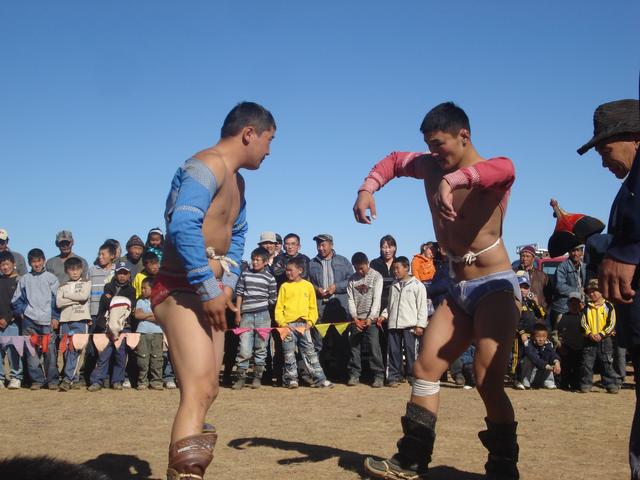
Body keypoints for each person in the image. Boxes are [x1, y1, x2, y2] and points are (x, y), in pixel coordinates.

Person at [354, 102, 521, 479]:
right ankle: (412, 460)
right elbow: (396, 160)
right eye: (428, 145)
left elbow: (505, 168)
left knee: (486, 379)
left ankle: (503, 467)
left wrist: (454, 180)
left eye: (439, 144)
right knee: (425, 368)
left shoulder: (493, 171)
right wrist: (368, 187)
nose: (433, 153)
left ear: (465, 136)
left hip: (494, 285)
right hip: (458, 289)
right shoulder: (430, 163)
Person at [152, 101, 275, 480]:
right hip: (179, 287)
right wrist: (209, 287)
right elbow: (183, 226)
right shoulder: (204, 166)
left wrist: (225, 283)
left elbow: (236, 236)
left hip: (208, 289)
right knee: (198, 389)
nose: (269, 151)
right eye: (269, 140)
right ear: (249, 133)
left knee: (208, 389)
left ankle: (189, 469)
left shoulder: (238, 181)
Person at [578, 98, 640, 477]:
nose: (603, 161)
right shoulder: (629, 188)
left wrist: (629, 250)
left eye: (605, 149)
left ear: (634, 138)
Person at [274, 256, 332, 388]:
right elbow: (279, 308)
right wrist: (283, 324)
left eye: (291, 270)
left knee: (310, 353)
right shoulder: (284, 287)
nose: (288, 272)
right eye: (286, 270)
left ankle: (320, 379)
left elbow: (313, 307)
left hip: (304, 326)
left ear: (300, 270)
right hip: (287, 327)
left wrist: (310, 323)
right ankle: (291, 379)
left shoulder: (308, 286)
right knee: (288, 354)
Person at [11, 248, 60, 389]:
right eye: (33, 262)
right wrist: (22, 312)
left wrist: (55, 317)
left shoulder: (51, 279)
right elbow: (16, 300)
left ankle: (52, 380)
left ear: (43, 261)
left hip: (47, 321)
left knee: (50, 352)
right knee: (31, 353)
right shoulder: (24, 279)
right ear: (29, 263)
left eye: (39, 261)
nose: (36, 264)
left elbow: (57, 301)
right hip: (29, 322)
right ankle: (37, 380)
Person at [308, 233, 353, 378]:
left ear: (331, 245)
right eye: (318, 245)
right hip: (320, 307)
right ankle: (321, 375)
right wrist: (316, 289)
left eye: (323, 245)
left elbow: (351, 281)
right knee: (320, 343)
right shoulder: (312, 263)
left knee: (341, 342)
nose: (320, 248)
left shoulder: (344, 261)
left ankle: (342, 373)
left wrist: (337, 287)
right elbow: (307, 283)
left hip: (339, 307)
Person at [232, 247, 277, 390]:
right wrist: (238, 313)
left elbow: (272, 299)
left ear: (265, 262)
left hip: (264, 317)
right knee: (244, 348)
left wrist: (261, 307)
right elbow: (239, 294)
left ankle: (257, 377)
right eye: (253, 259)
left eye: (258, 260)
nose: (255, 262)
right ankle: (240, 378)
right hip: (246, 316)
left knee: (261, 348)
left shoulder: (270, 278)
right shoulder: (245, 274)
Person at [378, 256, 427, 387]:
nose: (395, 271)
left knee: (412, 352)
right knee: (393, 352)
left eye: (397, 268)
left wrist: (420, 325)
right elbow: (390, 305)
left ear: (406, 268)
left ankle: (413, 375)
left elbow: (422, 306)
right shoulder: (393, 285)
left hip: (410, 324)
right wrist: (384, 315)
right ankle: (393, 376)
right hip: (394, 324)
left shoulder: (418, 285)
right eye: (394, 269)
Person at [88, 262, 136, 391]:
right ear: (116, 273)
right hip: (107, 325)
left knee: (120, 355)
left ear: (129, 275)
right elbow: (106, 302)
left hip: (124, 325)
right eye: (120, 272)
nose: (122, 276)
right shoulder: (108, 286)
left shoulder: (132, 290)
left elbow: (129, 305)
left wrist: (113, 300)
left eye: (125, 273)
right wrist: (117, 302)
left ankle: (117, 381)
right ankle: (97, 381)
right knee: (104, 354)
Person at [346, 252, 384, 387]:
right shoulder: (352, 279)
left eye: (362, 268)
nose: (359, 271)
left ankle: (378, 375)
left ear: (367, 263)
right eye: (356, 269)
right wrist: (354, 317)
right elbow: (350, 299)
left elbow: (377, 299)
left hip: (371, 320)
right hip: (356, 319)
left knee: (374, 347)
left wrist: (370, 318)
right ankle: (354, 374)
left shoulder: (377, 277)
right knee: (354, 348)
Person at [56, 257, 91, 391]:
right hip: (65, 320)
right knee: (66, 350)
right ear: (66, 271)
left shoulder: (86, 282)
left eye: (77, 269)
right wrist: (74, 300)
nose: (75, 273)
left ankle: (67, 379)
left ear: (81, 270)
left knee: (76, 349)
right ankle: (74, 378)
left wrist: (67, 297)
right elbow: (59, 303)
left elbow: (83, 297)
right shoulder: (62, 286)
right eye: (71, 270)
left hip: (80, 319)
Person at [579, 278, 619, 393]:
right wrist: (589, 333)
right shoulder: (586, 308)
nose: (593, 293)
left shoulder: (609, 306)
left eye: (596, 290)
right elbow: (583, 323)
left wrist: (602, 334)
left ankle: (610, 384)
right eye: (590, 291)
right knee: (587, 363)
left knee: (606, 363)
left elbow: (611, 323)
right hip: (589, 339)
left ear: (602, 291)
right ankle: (586, 384)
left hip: (605, 340)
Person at [512, 272, 545, 390]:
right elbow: (514, 320)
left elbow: (542, 315)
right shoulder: (515, 302)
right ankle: (516, 379)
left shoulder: (530, 301)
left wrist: (537, 303)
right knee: (518, 357)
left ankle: (526, 379)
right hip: (518, 335)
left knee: (529, 357)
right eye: (520, 287)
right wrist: (521, 333)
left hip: (531, 335)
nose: (523, 290)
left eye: (525, 287)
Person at [549, 245, 586, 347]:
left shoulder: (584, 267)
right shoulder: (563, 266)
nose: (575, 254)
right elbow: (559, 287)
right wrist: (578, 291)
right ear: (569, 252)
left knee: (576, 337)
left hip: (578, 307)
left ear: (582, 252)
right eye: (573, 251)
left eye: (578, 251)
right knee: (559, 340)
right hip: (563, 308)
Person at [135, 277, 164, 390]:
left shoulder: (160, 301)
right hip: (143, 333)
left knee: (157, 358)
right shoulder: (140, 301)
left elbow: (161, 317)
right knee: (142, 358)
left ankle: (156, 381)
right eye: (141, 288)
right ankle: (142, 381)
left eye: (144, 288)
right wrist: (152, 315)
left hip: (158, 333)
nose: (142, 290)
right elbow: (137, 315)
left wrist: (145, 315)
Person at [0, 251, 22, 389]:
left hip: (13, 321)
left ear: (13, 264)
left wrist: (8, 318)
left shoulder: (19, 280)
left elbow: (19, 303)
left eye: (7, 264)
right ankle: (1, 377)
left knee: (15, 349)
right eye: (2, 265)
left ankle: (16, 376)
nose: (5, 267)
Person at [557, 292, 585, 391]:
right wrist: (559, 344)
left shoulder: (584, 317)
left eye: (576, 303)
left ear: (581, 304)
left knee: (578, 369)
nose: (574, 305)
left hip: (580, 349)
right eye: (571, 302)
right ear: (568, 304)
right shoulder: (561, 316)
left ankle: (576, 384)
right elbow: (555, 332)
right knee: (565, 369)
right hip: (565, 349)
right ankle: (563, 383)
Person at [521, 324, 561, 389]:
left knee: (550, 357)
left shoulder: (548, 344)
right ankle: (525, 382)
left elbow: (552, 354)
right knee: (527, 359)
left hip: (539, 376)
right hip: (529, 375)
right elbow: (534, 358)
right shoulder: (528, 344)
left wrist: (557, 362)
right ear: (532, 337)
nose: (541, 339)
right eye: (538, 336)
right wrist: (546, 366)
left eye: (544, 336)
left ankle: (548, 382)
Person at [512, 245, 549, 311]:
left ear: (533, 258)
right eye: (522, 256)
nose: (525, 258)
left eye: (527, 256)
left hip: (537, 315)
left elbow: (548, 296)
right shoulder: (513, 273)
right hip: (519, 313)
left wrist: (543, 307)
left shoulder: (542, 275)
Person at [370, 235, 398, 312]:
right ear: (380, 248)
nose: (387, 250)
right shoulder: (374, 263)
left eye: (390, 247)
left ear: (395, 248)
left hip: (396, 302)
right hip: (379, 303)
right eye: (384, 247)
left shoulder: (399, 263)